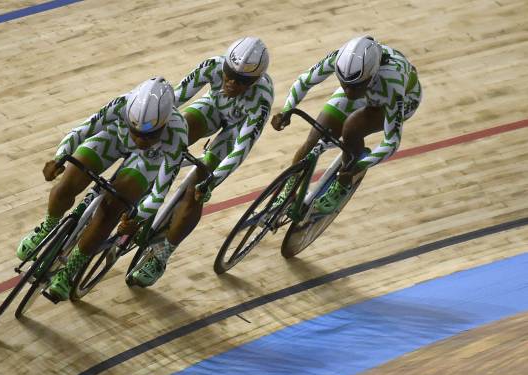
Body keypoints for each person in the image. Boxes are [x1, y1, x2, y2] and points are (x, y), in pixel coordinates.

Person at [16, 77, 188, 300]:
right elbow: (82, 131)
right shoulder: (121, 104)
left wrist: (137, 216)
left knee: (110, 209)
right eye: (135, 131)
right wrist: (59, 158)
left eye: (149, 135)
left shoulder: (177, 132)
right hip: (113, 138)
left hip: (147, 161)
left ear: (164, 123)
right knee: (66, 184)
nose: (139, 139)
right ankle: (48, 226)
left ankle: (71, 270)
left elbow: (161, 190)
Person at [130, 37, 274, 287]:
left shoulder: (260, 100)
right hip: (212, 109)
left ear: (255, 81)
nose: (231, 82)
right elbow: (172, 101)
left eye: (241, 81)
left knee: (197, 188)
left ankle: (162, 256)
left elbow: (240, 149)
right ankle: (143, 189)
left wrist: (212, 181)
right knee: (172, 133)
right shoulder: (212, 66)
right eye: (229, 74)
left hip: (235, 130)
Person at [271, 36, 422, 213]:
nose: (348, 91)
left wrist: (358, 167)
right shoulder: (342, 61)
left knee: (352, 129)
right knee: (314, 138)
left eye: (354, 86)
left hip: (396, 99)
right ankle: (289, 189)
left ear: (371, 75)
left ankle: (343, 183)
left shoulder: (392, 83)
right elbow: (305, 80)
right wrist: (287, 109)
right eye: (344, 84)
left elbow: (392, 142)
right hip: (367, 89)